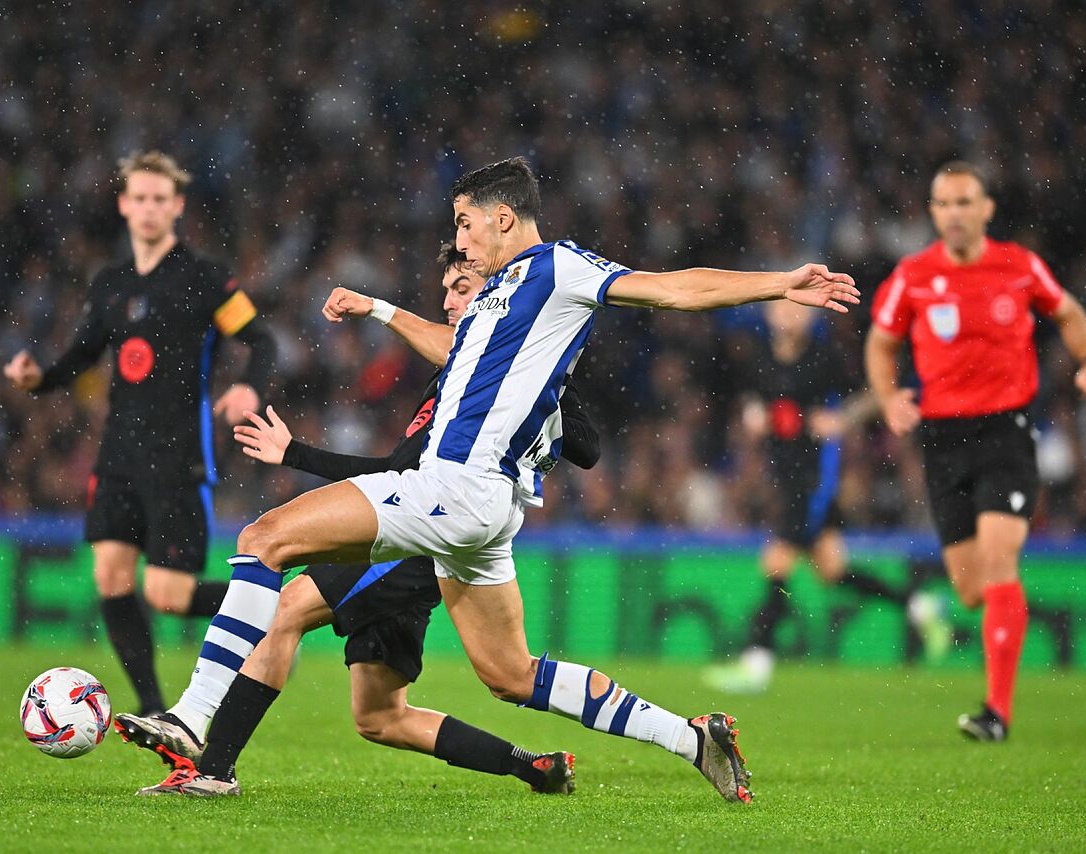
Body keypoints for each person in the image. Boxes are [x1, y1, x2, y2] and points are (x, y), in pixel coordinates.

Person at [141, 157, 859, 804]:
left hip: (452, 485)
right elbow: (452, 345)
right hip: (484, 513)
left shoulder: (557, 269)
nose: (461, 238)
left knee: (266, 537)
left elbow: (670, 290)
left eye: (464, 222)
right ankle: (692, 739)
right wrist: (380, 309)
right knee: (512, 676)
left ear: (502, 217)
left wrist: (779, 285)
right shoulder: (498, 295)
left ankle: (195, 721)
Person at [118, 242, 598, 796]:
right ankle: (531, 766)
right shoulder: (454, 380)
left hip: (420, 538)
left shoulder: (488, 385)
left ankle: (209, 765)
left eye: (460, 290)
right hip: (423, 538)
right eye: (444, 289)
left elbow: (583, 447)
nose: (445, 302)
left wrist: (298, 454)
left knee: (287, 608)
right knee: (380, 718)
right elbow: (405, 467)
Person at [3, 151, 276, 715]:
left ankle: (280, 608)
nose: (149, 209)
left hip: (179, 455)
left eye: (160, 199)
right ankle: (152, 711)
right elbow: (80, 354)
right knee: (110, 576)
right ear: (124, 205)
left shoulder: (206, 279)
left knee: (168, 597)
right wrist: (40, 379)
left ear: (176, 206)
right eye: (140, 198)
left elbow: (262, 341)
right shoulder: (109, 284)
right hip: (120, 453)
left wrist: (249, 386)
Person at [865, 161, 1086, 742]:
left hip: (1006, 434)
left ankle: (997, 713)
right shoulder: (913, 275)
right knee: (971, 589)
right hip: (943, 441)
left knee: (1000, 562)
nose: (953, 214)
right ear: (932, 212)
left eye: (964, 202)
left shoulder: (1019, 268)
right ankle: (996, 652)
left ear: (987, 208)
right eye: (943, 204)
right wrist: (888, 397)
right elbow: (880, 341)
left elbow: (1070, 313)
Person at [706, 299, 951, 694]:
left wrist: (844, 419)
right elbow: (754, 402)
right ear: (769, 315)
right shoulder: (759, 361)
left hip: (815, 478)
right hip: (785, 478)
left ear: (811, 317)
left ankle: (757, 662)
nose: (790, 315)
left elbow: (878, 390)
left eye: (798, 310)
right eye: (783, 308)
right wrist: (753, 414)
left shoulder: (826, 359)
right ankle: (919, 605)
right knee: (833, 572)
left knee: (776, 564)